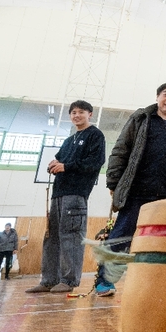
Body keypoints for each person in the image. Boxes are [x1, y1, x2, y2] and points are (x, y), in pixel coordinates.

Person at [97, 80, 166, 297]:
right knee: (121, 236)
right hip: (137, 191)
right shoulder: (140, 119)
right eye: (165, 94)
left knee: (163, 242)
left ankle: (156, 282)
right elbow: (120, 150)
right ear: (157, 97)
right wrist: (113, 182)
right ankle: (104, 281)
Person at [26, 100, 106, 295]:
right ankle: (48, 280)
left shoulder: (95, 135)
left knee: (70, 237)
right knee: (52, 237)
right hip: (58, 194)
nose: (76, 115)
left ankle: (69, 280)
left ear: (90, 114)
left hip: (76, 194)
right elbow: (60, 160)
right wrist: (53, 164)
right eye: (73, 112)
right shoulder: (69, 140)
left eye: (81, 112)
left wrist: (66, 166)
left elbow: (96, 162)